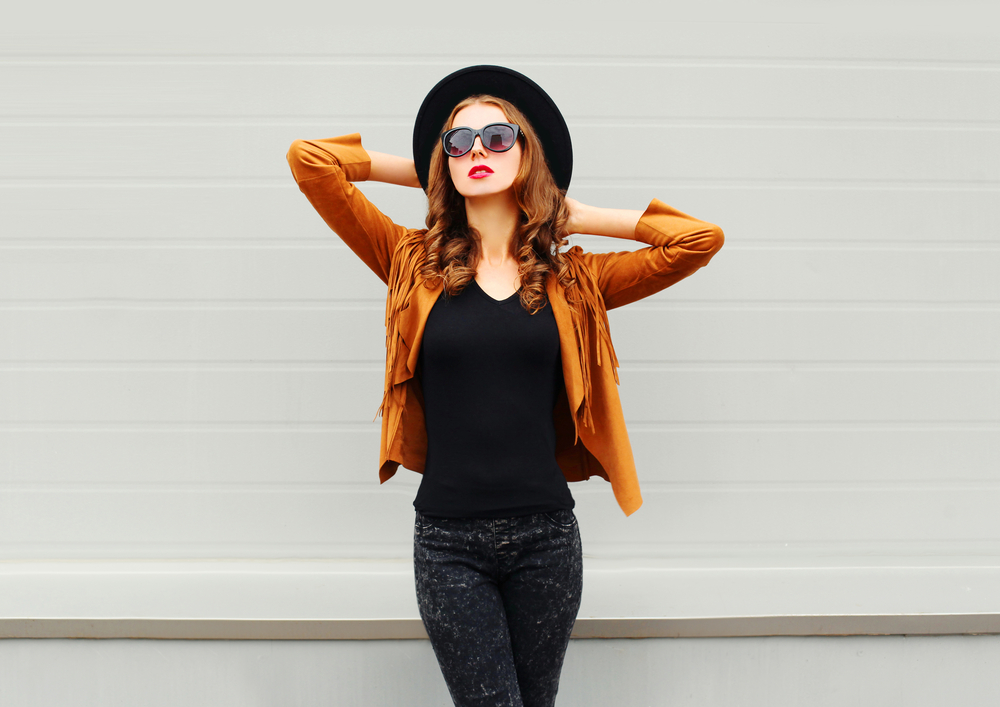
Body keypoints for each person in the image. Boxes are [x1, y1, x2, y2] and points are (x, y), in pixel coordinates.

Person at [286, 65, 723, 707]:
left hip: (547, 539)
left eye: (497, 138)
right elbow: (312, 162)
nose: (476, 152)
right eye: (458, 143)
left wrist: (573, 210)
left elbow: (695, 241)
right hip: (448, 542)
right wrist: (433, 170)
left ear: (528, 152)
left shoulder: (574, 281)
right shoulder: (409, 262)